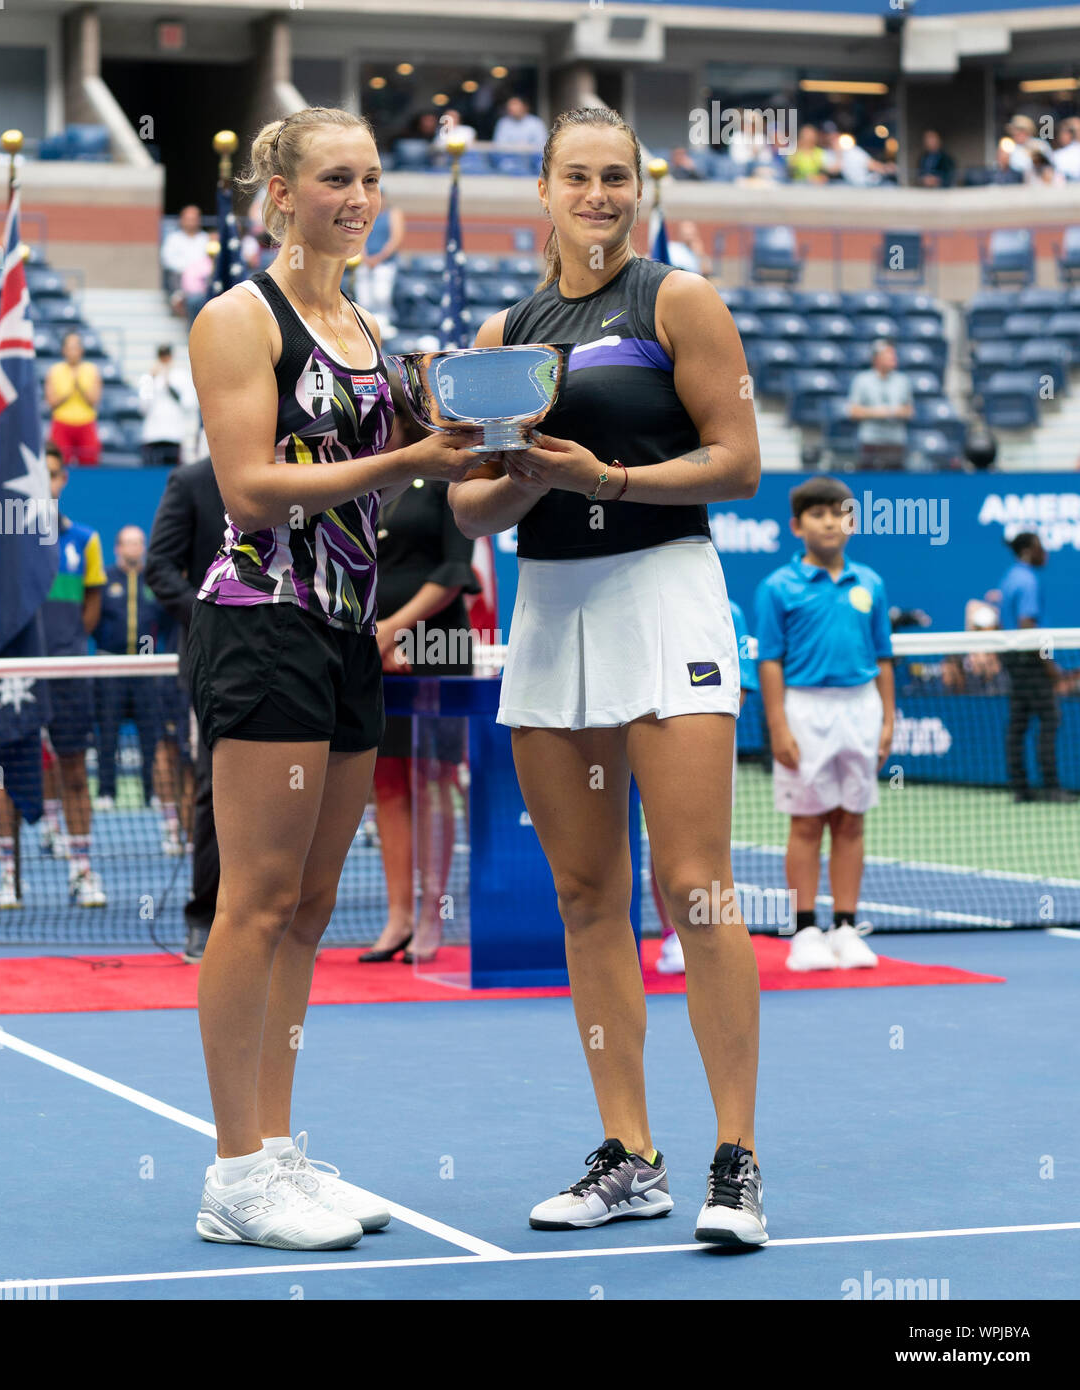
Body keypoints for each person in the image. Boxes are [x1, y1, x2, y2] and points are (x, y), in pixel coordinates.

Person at [448, 105, 767, 1244]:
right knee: (588, 898)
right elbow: (471, 502)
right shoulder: (510, 326)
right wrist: (533, 476)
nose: (598, 195)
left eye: (616, 178)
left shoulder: (676, 300)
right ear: (539, 193)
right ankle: (630, 1154)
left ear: (640, 191)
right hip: (552, 605)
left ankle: (737, 1158)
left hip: (665, 591)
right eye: (576, 177)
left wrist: (613, 478)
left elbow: (739, 464)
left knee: (696, 886)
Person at [186, 105, 480, 1251]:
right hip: (264, 622)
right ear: (282, 192)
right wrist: (410, 456)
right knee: (254, 902)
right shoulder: (236, 318)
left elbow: (437, 458)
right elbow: (253, 488)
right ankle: (230, 1174)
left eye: (370, 177)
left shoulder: (363, 323)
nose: (357, 198)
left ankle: (276, 1146)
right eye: (334, 179)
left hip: (351, 634)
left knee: (310, 908)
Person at [755, 476, 894, 974]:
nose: (831, 521)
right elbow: (769, 659)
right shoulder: (777, 587)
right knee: (808, 821)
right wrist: (778, 726)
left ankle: (846, 927)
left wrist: (887, 720)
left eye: (840, 513)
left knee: (851, 820)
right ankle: (806, 929)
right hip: (804, 709)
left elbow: (884, 656)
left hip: (861, 706)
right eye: (818, 514)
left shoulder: (870, 584)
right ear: (797, 526)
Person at [360, 402, 479, 965]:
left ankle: (433, 913)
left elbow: (454, 572)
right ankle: (398, 917)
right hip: (373, 651)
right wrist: (372, 637)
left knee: (433, 778)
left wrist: (394, 630)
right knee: (386, 783)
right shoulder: (364, 474)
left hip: (437, 647)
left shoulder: (448, 474)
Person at [145, 454, 227, 964]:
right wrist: (219, 610)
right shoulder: (193, 481)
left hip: (294, 653)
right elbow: (159, 567)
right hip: (214, 660)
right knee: (215, 787)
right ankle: (204, 918)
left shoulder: (299, 467)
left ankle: (281, 916)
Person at [651, 597, 758, 976]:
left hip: (707, 732)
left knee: (707, 843)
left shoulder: (730, 609)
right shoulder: (649, 603)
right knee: (659, 837)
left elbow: (742, 682)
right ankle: (672, 935)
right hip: (649, 727)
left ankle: (706, 930)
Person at [34, 443, 107, 908]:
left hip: (70, 671)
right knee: (4, 770)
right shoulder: (5, 541)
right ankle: (8, 872)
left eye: (55, 474)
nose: (47, 481)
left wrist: (64, 647)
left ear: (64, 481)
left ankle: (81, 869)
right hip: (19, 674)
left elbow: (91, 611)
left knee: (74, 768)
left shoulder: (86, 540)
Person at [92, 525, 167, 822]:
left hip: (147, 671)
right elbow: (93, 620)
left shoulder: (155, 582)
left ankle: (152, 792)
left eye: (139, 543)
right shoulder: (105, 581)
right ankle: (106, 791)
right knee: (107, 736)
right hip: (111, 669)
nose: (135, 548)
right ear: (118, 548)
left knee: (151, 736)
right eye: (129, 544)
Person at [997, 532, 1077, 803]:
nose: (1047, 553)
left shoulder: (1009, 578)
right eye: (1042, 547)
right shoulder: (1028, 581)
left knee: (1018, 725)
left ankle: (1021, 788)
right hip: (1029, 660)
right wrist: (1049, 665)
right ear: (1030, 550)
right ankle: (1052, 788)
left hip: (1012, 658)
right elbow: (1028, 627)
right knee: (1050, 718)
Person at [847, 339, 912, 471]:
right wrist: (877, 412)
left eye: (894, 355)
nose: (893, 358)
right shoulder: (862, 380)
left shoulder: (903, 380)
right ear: (876, 358)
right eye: (889, 355)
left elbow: (909, 411)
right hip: (870, 442)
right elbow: (853, 411)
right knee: (868, 488)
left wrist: (891, 412)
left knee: (895, 486)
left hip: (895, 443)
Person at [44, 331, 102, 466]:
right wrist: (70, 390)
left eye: (76, 347)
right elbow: (51, 402)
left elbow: (94, 400)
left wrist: (79, 387)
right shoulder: (54, 370)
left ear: (81, 350)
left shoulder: (92, 370)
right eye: (70, 348)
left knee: (90, 464)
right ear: (64, 350)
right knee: (57, 465)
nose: (73, 351)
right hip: (61, 423)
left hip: (86, 422)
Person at [137, 344, 196, 468]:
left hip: (173, 434)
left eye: (166, 356)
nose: (164, 359)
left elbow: (188, 405)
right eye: (161, 356)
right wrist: (151, 380)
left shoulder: (182, 376)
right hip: (152, 434)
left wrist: (170, 385)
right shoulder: (149, 377)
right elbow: (143, 407)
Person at [353, 200, 405, 323]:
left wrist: (379, 258)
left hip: (385, 263)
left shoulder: (392, 214)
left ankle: (382, 329)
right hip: (364, 262)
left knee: (381, 296)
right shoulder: (362, 214)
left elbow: (396, 239)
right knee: (363, 299)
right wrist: (365, 257)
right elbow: (358, 237)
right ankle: (364, 327)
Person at [161, 205, 210, 297]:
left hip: (202, 280)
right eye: (188, 219)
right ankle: (178, 300)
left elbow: (209, 261)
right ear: (181, 220)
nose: (191, 222)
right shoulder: (173, 238)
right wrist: (189, 270)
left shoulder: (205, 238)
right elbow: (167, 260)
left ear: (199, 220)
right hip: (179, 278)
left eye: (194, 219)